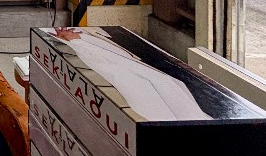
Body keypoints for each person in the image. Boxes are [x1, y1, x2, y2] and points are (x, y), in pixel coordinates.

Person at [48, 27, 211, 121]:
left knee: (165, 84)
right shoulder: (83, 48)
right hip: (126, 74)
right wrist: (77, 40)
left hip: (135, 74)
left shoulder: (85, 43)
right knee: (156, 86)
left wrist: (79, 39)